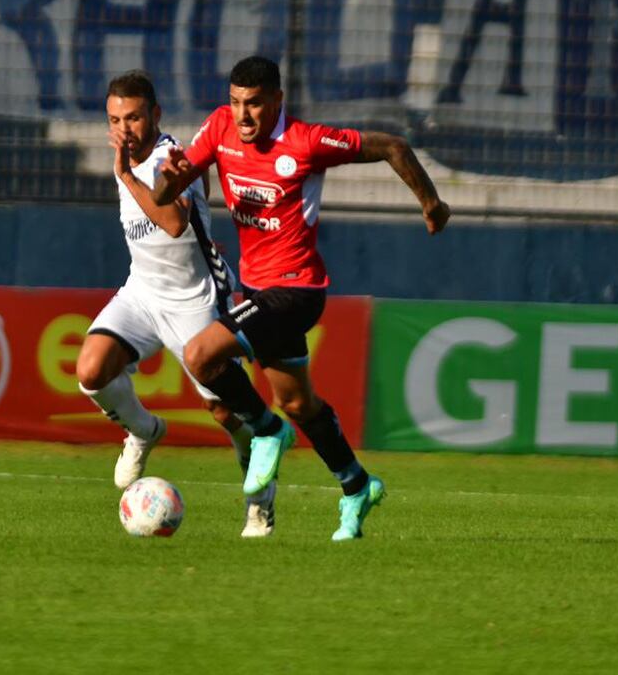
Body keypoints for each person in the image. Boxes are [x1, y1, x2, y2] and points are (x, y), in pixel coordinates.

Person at [154, 56, 451, 541]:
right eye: (235, 102)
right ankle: (356, 486)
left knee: (200, 355)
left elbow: (393, 145)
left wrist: (431, 202)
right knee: (298, 403)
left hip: (297, 290)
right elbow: (167, 194)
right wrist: (170, 175)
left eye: (253, 104)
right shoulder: (219, 128)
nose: (243, 115)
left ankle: (265, 431)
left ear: (276, 101)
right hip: (257, 289)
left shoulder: (307, 143)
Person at [75, 70, 277, 537]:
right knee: (90, 370)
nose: (125, 129)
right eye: (115, 119)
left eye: (134, 117)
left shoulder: (175, 158)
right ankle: (144, 430)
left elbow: (171, 224)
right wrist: (123, 170)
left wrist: (125, 174)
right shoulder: (125, 159)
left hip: (195, 300)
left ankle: (260, 502)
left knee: (230, 414)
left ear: (155, 115)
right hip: (142, 294)